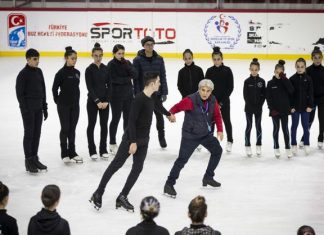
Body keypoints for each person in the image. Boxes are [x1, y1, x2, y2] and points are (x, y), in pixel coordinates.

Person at [90, 72, 175, 211]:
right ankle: (98, 192)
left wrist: (168, 115)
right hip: (131, 139)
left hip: (144, 140)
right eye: (158, 82)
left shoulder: (152, 96)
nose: (160, 84)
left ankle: (122, 196)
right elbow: (131, 122)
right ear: (152, 84)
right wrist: (133, 142)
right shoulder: (139, 99)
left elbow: (158, 106)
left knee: (137, 168)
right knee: (116, 165)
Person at [164, 79, 223, 198]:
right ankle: (169, 184)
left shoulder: (212, 100)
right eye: (203, 90)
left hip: (205, 134)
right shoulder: (190, 100)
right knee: (182, 160)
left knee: (217, 151)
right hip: (190, 136)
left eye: (208, 91)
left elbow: (217, 115)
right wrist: (170, 114)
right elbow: (176, 107)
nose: (205, 93)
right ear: (199, 89)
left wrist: (220, 130)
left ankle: (208, 177)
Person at [15, 48, 48, 173]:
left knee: (37, 134)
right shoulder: (22, 74)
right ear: (28, 59)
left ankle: (34, 158)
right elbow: (20, 94)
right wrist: (25, 110)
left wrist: (45, 107)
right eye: (35, 59)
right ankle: (28, 160)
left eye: (38, 58)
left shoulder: (39, 72)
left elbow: (43, 91)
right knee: (29, 134)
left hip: (39, 108)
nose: (37, 61)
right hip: (28, 110)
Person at [133, 36, 169, 148]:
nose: (150, 46)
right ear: (143, 46)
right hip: (144, 94)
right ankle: (142, 139)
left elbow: (162, 76)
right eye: (147, 44)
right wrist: (138, 94)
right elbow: (136, 78)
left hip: (156, 93)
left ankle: (161, 137)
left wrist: (164, 92)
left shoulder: (159, 59)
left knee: (159, 116)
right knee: (144, 118)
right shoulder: (137, 60)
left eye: (152, 44)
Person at [52, 46, 82, 163]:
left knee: (72, 129)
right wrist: (58, 101)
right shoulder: (60, 73)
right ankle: (64, 153)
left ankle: (72, 152)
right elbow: (54, 89)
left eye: (75, 58)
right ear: (66, 58)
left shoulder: (77, 72)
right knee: (65, 128)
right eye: (72, 58)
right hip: (63, 105)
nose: (74, 60)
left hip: (75, 105)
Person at [107, 44, 136, 155]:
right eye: (119, 53)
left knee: (128, 120)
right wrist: (128, 78)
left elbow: (135, 74)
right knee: (115, 119)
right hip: (116, 97)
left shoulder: (127, 63)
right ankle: (112, 143)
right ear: (114, 53)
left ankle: (126, 141)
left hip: (128, 96)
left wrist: (128, 68)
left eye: (123, 53)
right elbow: (115, 80)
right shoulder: (111, 65)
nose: (121, 55)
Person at [205, 46, 234, 152]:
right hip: (212, 102)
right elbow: (206, 87)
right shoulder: (209, 71)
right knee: (211, 122)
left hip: (225, 101)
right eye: (214, 59)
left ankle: (230, 140)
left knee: (226, 121)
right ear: (212, 59)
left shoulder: (227, 70)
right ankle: (210, 141)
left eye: (218, 59)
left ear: (222, 59)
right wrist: (212, 101)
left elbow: (230, 88)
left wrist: (221, 102)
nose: (216, 61)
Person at [85, 42, 111, 160]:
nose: (98, 57)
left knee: (104, 125)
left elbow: (110, 86)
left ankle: (103, 149)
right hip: (93, 102)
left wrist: (106, 101)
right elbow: (90, 88)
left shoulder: (106, 69)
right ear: (92, 55)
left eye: (100, 55)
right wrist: (97, 101)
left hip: (105, 103)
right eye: (96, 55)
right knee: (92, 125)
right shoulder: (89, 70)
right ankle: (92, 150)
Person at [266, 60, 294, 158]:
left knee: (285, 129)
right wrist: (271, 109)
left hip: (285, 111)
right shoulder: (270, 83)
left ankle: (288, 147)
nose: (278, 74)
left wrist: (284, 78)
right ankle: (276, 147)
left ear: (283, 72)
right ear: (274, 72)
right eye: (277, 72)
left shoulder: (286, 82)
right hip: (275, 112)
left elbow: (291, 91)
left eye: (281, 72)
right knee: (276, 129)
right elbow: (268, 98)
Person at [301, 46, 324, 150]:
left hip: (323, 99)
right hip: (312, 100)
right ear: (312, 58)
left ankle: (320, 138)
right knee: (310, 119)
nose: (317, 59)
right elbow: (305, 86)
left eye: (319, 57)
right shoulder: (308, 70)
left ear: (322, 58)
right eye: (315, 57)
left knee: (322, 119)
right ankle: (304, 137)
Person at [289, 58, 313, 155]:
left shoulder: (308, 79)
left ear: (305, 67)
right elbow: (290, 95)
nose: (300, 68)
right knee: (294, 127)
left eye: (302, 67)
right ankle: (293, 145)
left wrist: (310, 105)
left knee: (305, 127)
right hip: (295, 108)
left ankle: (306, 144)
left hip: (305, 108)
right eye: (298, 66)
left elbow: (311, 93)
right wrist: (291, 106)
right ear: (295, 67)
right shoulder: (292, 79)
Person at [243, 58, 266, 157]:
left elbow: (263, 95)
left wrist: (259, 105)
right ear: (249, 69)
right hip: (248, 108)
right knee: (249, 126)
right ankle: (247, 145)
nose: (254, 71)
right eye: (252, 69)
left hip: (258, 109)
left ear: (259, 69)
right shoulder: (247, 81)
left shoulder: (262, 81)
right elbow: (245, 95)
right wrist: (250, 105)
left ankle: (258, 144)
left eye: (256, 69)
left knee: (258, 126)